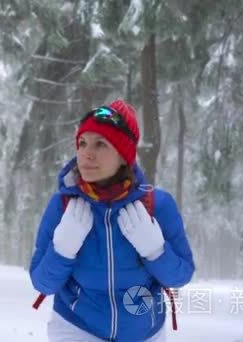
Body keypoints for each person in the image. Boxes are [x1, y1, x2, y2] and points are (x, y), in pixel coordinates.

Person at [29, 99, 195, 341]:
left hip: (144, 332)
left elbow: (180, 276)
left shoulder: (157, 205)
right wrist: (62, 250)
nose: (87, 153)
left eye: (101, 144)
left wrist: (155, 250)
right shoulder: (63, 206)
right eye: (82, 143)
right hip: (76, 328)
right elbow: (43, 284)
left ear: (123, 156)